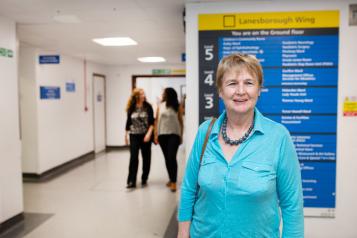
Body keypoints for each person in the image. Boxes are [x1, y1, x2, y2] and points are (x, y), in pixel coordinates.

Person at [177, 53, 304, 237]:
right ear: (220, 91)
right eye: (232, 83)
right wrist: (182, 234)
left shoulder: (278, 137)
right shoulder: (205, 132)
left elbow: (292, 205)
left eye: (249, 83)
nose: (241, 91)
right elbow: (189, 188)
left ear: (259, 89)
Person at [154, 87, 183, 192]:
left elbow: (180, 121)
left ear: (169, 94)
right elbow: (157, 120)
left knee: (172, 157)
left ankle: (174, 182)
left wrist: (181, 135)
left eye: (164, 93)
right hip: (162, 135)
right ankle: (171, 179)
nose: (162, 94)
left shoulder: (177, 106)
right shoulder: (160, 106)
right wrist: (155, 134)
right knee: (167, 158)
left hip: (174, 135)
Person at [125, 88, 154, 189]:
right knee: (133, 158)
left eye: (143, 93)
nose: (143, 95)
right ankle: (131, 181)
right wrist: (126, 135)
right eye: (141, 94)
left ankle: (144, 177)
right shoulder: (132, 107)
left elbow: (152, 122)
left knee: (146, 158)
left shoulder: (148, 106)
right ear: (137, 96)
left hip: (146, 135)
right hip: (133, 135)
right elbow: (128, 122)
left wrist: (148, 134)